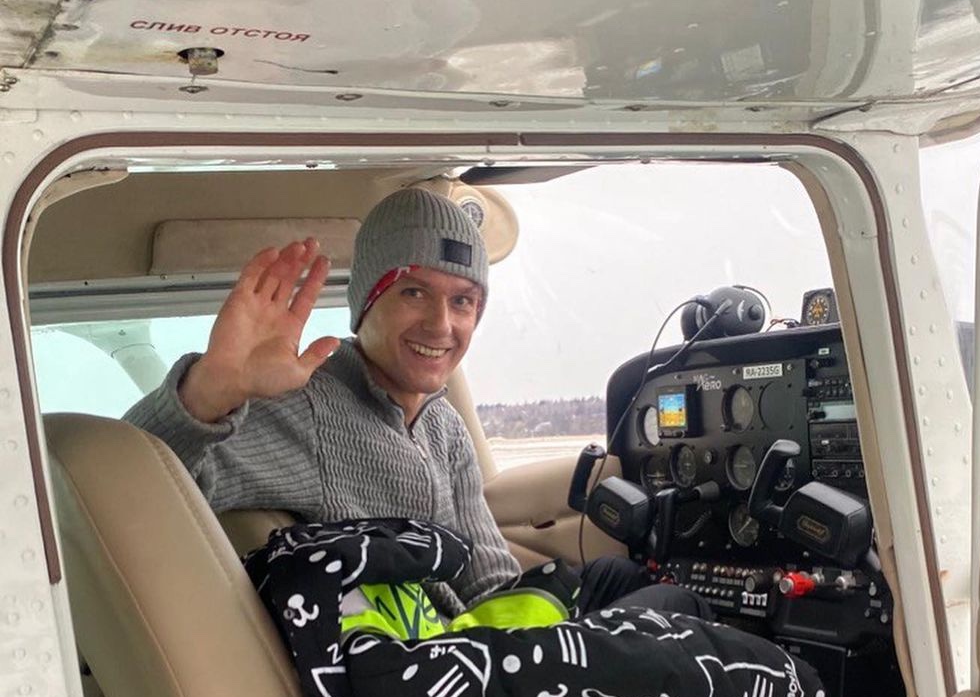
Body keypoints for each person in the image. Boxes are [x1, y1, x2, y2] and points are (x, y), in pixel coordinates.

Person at [126, 185, 697, 618]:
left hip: (476, 643)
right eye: (414, 292)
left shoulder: (443, 425)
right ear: (366, 302)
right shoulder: (310, 406)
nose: (441, 325)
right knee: (677, 611)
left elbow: (486, 580)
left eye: (463, 301)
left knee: (630, 582)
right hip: (421, 671)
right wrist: (211, 390)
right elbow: (133, 486)